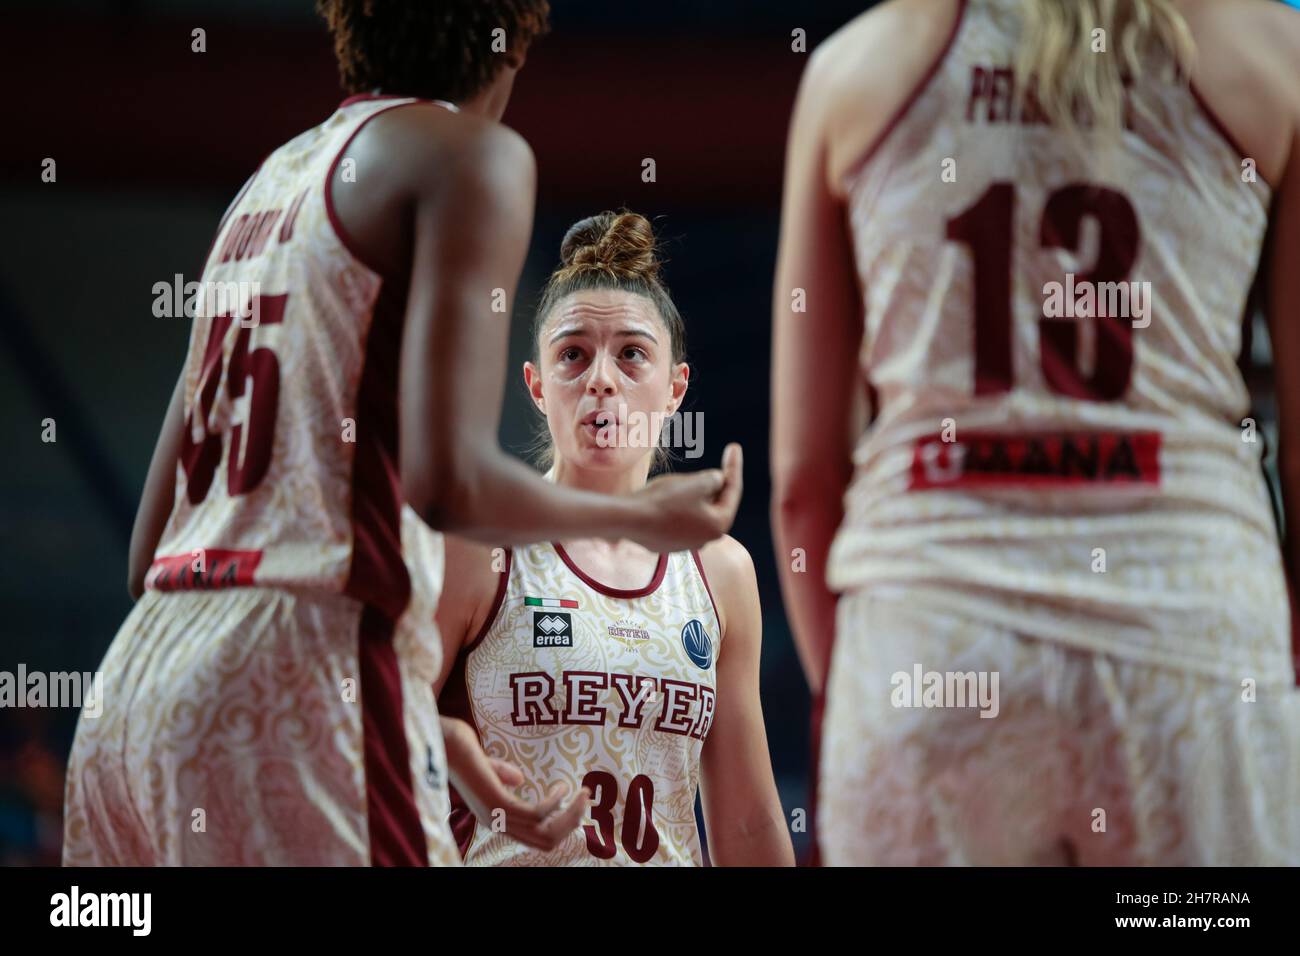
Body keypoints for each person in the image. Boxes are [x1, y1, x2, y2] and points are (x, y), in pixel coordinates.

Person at [63, 1, 742, 866]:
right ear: (512, 41)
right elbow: (446, 481)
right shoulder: (470, 155)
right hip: (301, 673)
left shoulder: (270, 182)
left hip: (138, 690)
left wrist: (448, 745)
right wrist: (651, 518)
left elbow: (145, 552)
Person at [772, 0, 1300, 864]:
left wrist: (865, 693)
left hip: (931, 624)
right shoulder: (1272, 54)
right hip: (1192, 637)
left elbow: (802, 487)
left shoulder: (855, 67)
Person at [434, 211, 791, 865]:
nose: (600, 378)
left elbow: (746, 821)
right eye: (573, 354)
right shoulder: (480, 550)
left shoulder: (721, 571)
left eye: (631, 353)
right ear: (537, 387)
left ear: (675, 387)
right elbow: (372, 728)